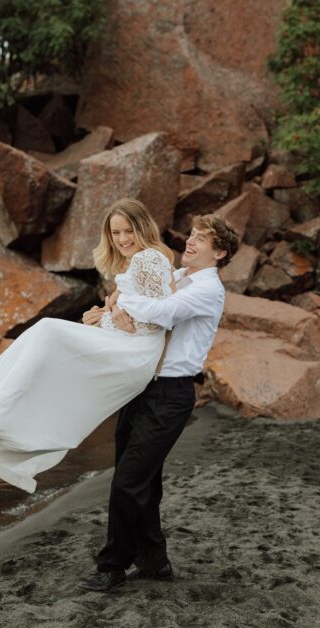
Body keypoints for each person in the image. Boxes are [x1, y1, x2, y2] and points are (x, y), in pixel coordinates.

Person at [0, 199, 175, 494]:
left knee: (48, 332)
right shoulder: (135, 262)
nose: (122, 239)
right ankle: (5, 420)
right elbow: (131, 310)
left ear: (143, 228)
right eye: (116, 233)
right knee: (49, 351)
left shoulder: (149, 259)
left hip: (136, 352)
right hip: (128, 345)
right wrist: (105, 314)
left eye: (128, 231)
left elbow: (160, 319)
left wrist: (110, 320)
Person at [80, 213, 239, 592]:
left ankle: (112, 566)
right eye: (192, 234)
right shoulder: (179, 277)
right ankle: (155, 562)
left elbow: (161, 313)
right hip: (141, 387)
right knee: (144, 482)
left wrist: (123, 299)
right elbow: (138, 322)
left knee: (126, 482)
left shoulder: (207, 290)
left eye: (202, 239)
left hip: (171, 394)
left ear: (219, 253)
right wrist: (105, 315)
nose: (191, 241)